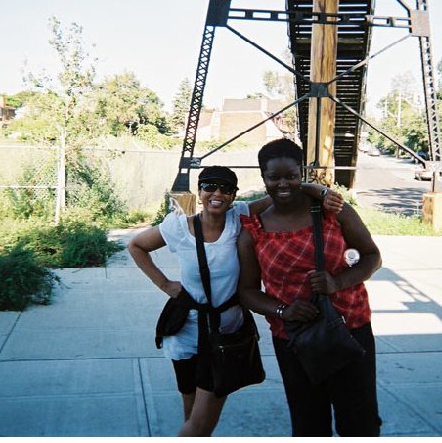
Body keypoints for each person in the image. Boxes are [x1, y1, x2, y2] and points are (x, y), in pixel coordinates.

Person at [127, 165, 343, 437]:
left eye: (226, 189)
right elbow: (136, 246)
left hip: (224, 336)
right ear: (200, 191)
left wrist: (322, 191)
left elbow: (284, 191)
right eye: (210, 186)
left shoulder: (238, 216)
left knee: (199, 425)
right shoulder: (179, 227)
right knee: (193, 419)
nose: (217, 194)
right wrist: (165, 284)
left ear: (233, 196)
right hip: (184, 333)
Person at [237, 138, 383, 437]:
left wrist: (338, 282)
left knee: (360, 422)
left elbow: (372, 256)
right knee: (308, 423)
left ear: (301, 172)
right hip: (294, 339)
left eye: (291, 176)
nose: (282, 184)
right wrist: (283, 310)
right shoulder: (254, 228)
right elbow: (247, 292)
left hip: (349, 329)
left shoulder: (332, 210)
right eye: (273, 177)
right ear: (262, 177)